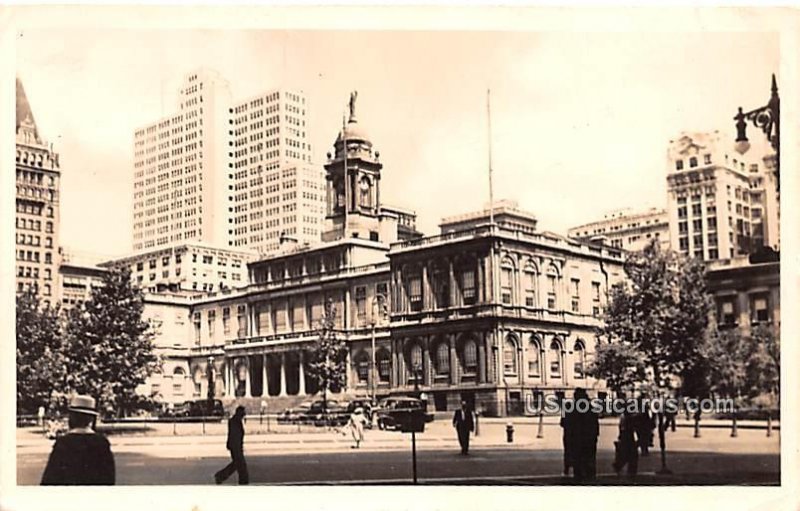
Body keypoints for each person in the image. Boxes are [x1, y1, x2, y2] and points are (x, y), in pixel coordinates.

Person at [41, 395, 115, 485]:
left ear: (72, 417)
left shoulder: (64, 443)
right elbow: (109, 477)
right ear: (91, 419)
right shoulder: (102, 443)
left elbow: (50, 478)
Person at [567, 388, 599, 481]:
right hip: (589, 439)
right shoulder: (590, 408)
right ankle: (590, 477)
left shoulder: (571, 409)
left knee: (578, 462)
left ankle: (579, 478)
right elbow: (595, 423)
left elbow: (565, 424)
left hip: (577, 439)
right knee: (589, 460)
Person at [214, 406, 249, 485]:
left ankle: (220, 476)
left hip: (235, 446)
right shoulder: (235, 421)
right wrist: (237, 447)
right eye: (243, 412)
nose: (244, 414)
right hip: (235, 447)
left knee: (236, 464)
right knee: (240, 465)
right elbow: (234, 435)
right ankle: (243, 481)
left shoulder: (235, 420)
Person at [612, 405, 639, 478]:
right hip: (627, 436)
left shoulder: (624, 416)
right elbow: (630, 427)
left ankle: (620, 465)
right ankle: (622, 466)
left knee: (627, 454)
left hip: (625, 436)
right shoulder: (628, 418)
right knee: (631, 454)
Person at [559, 411, 574, 476]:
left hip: (568, 433)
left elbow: (562, 423)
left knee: (567, 451)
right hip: (577, 433)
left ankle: (566, 469)